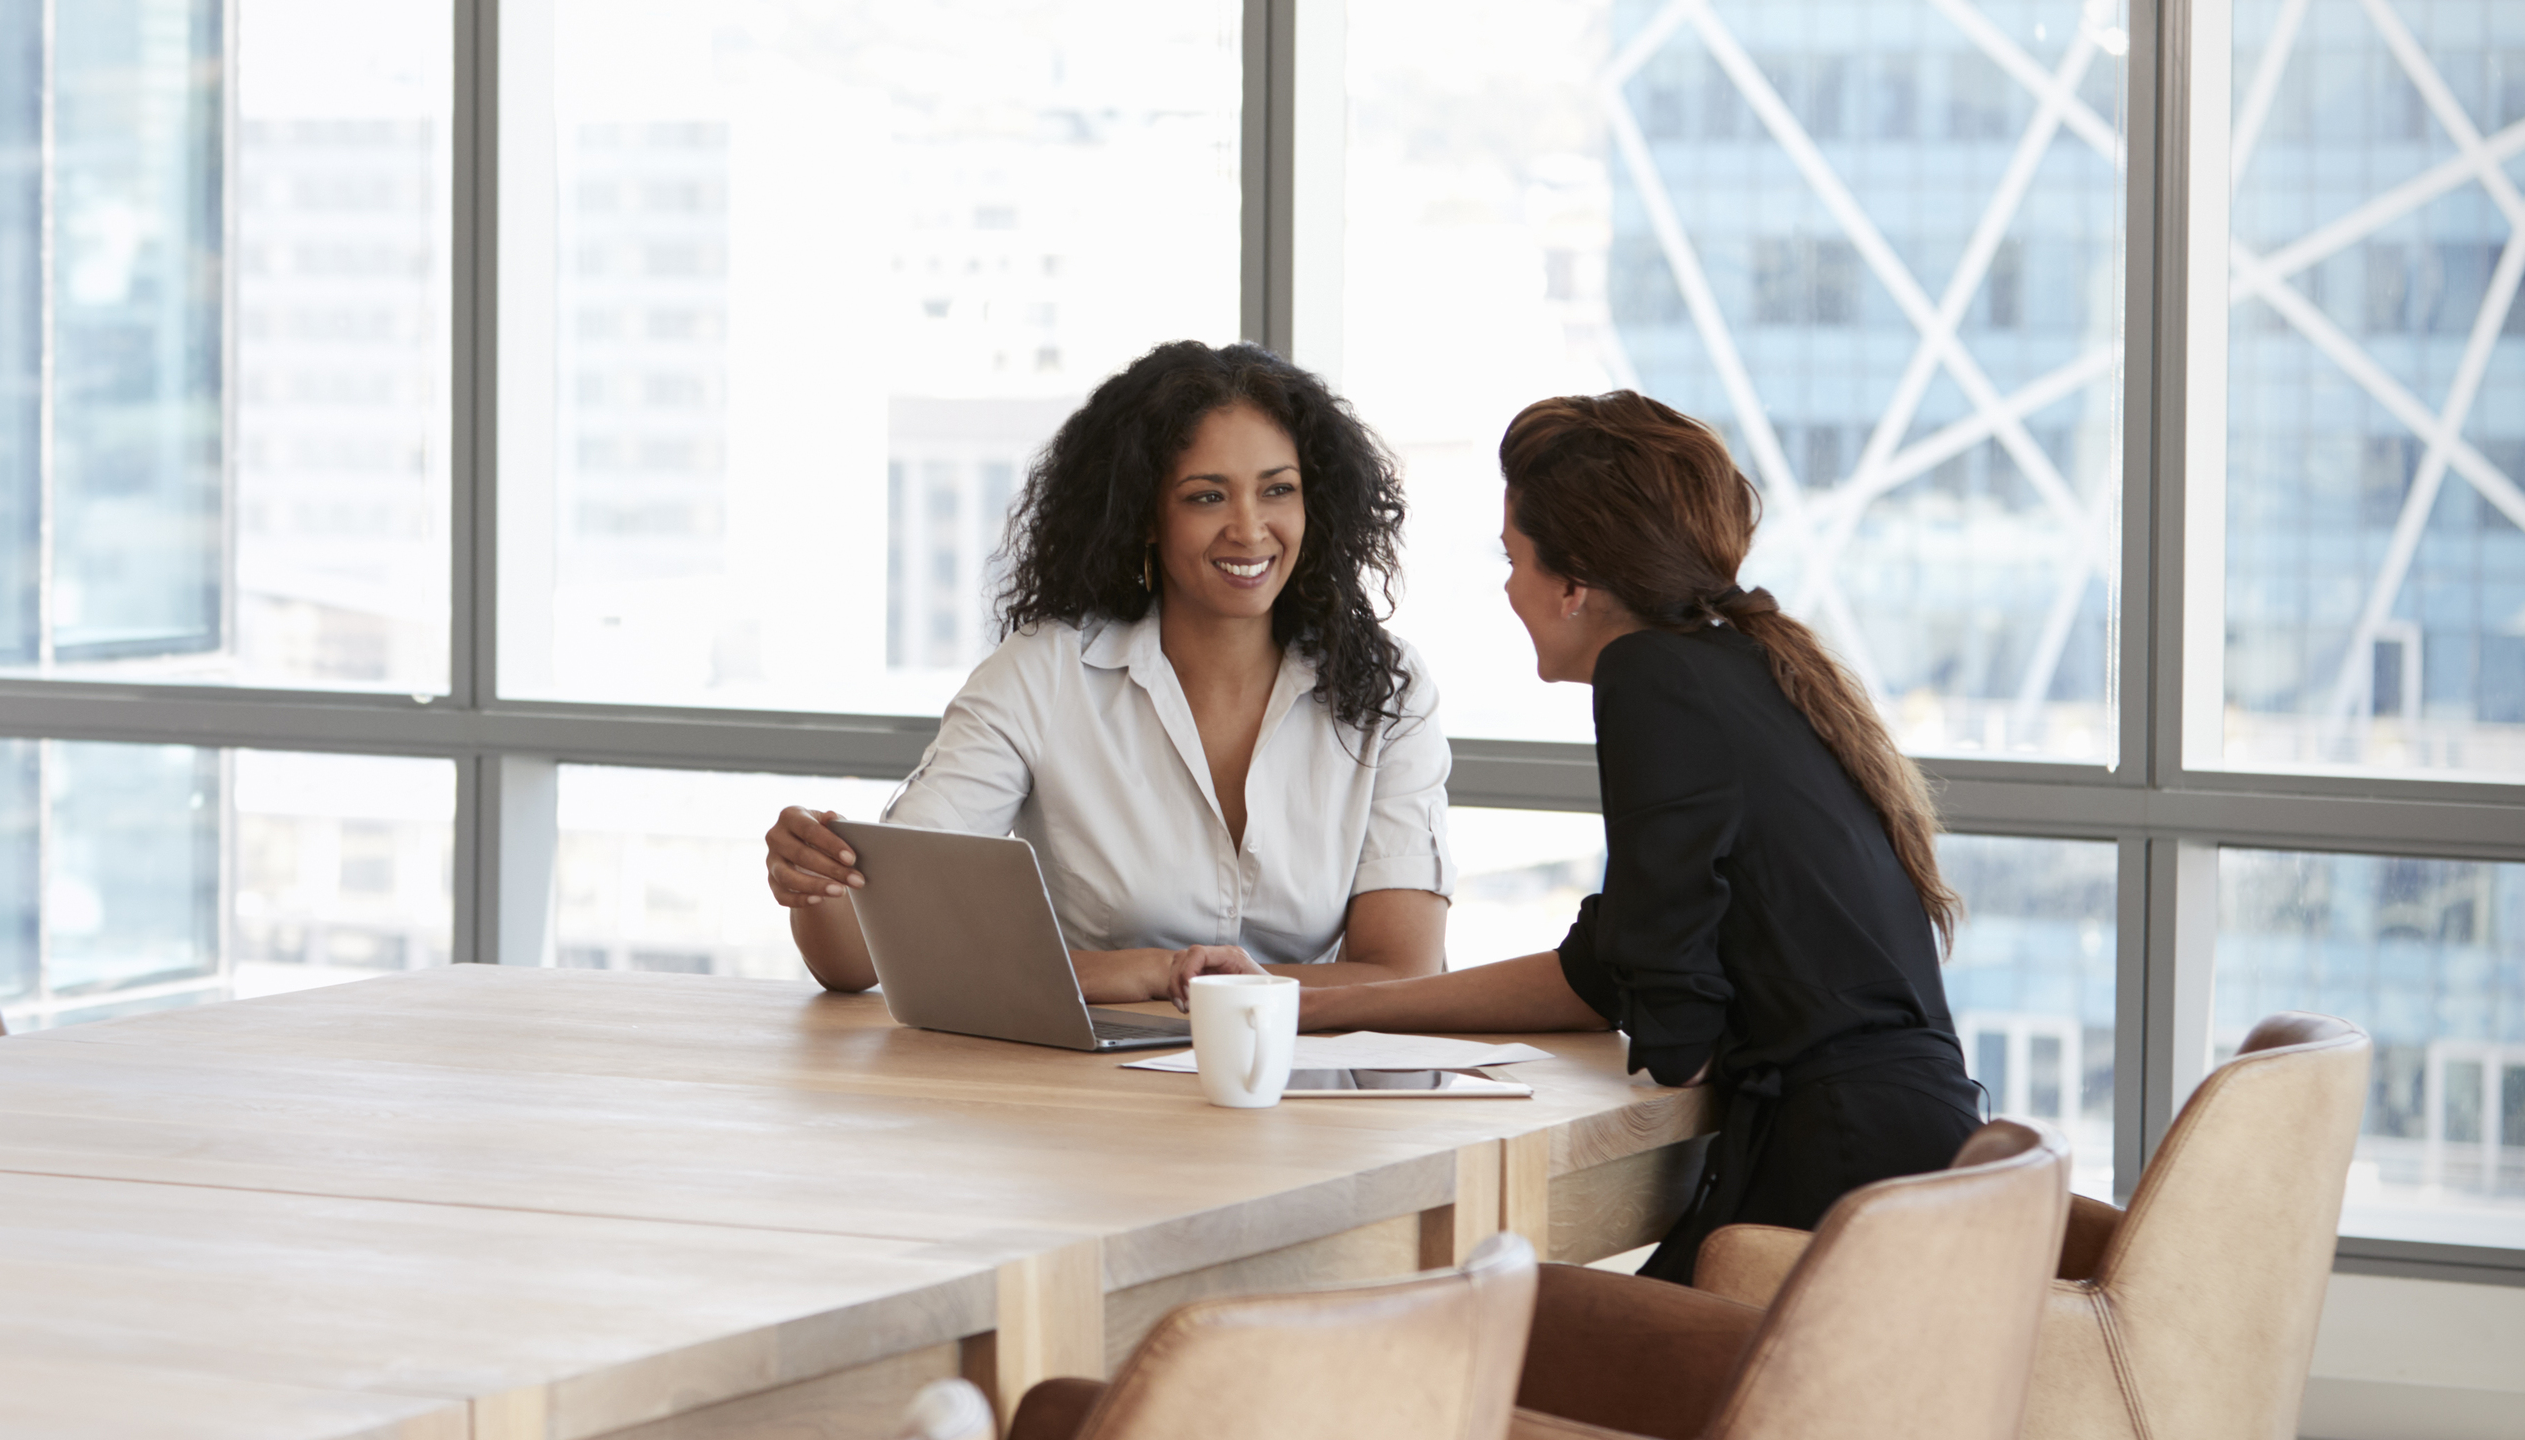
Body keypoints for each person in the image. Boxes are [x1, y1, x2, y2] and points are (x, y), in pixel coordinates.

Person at [1296, 390, 1981, 1283]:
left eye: (1514, 559)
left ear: (1574, 583)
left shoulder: (1649, 674)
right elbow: (1605, 969)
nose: (1509, 587)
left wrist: (1673, 1017)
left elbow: (1674, 1021)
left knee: (1494, 1335)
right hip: (1907, 1151)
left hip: (1837, 1173)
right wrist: (1319, 1003)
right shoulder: (1744, 666)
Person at [763, 341, 1453, 1005]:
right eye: (1206, 497)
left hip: (1296, 1088)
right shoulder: (1045, 674)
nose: (1248, 529)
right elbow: (861, 953)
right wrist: (815, 875)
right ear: (1145, 515)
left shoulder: (1386, 690)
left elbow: (1402, 972)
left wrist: (1187, 984)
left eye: (1277, 490)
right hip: (1082, 1093)